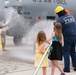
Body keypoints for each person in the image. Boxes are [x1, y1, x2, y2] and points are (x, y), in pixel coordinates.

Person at [55, 6, 76, 72]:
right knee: (73, 52)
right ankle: (75, 66)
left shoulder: (60, 20)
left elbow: (58, 31)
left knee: (66, 53)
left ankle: (67, 68)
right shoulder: (71, 17)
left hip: (67, 37)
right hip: (74, 36)